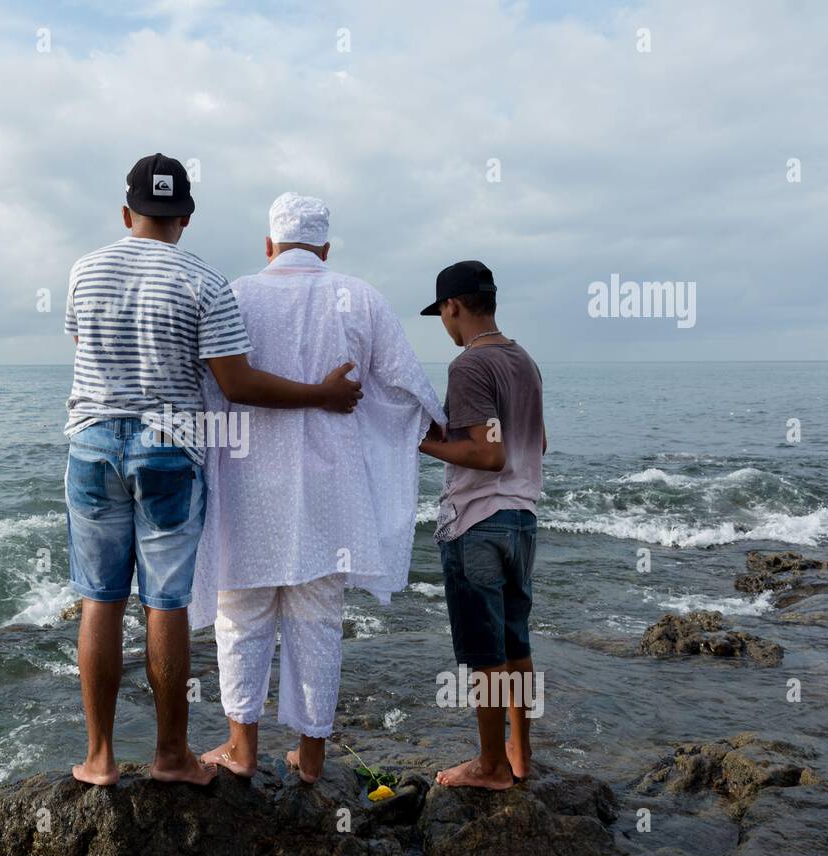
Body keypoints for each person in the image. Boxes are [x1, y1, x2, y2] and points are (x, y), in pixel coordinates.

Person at [63, 156, 362, 787]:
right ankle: (171, 756)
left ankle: (98, 758)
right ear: (187, 218)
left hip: (91, 442)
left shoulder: (85, 271)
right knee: (165, 602)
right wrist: (321, 394)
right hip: (168, 447)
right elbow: (237, 382)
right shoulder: (203, 279)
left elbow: (84, 349)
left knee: (99, 599)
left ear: (125, 213)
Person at [190, 193, 445, 783]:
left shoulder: (237, 294)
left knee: (242, 618)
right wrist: (442, 427)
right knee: (319, 624)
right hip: (333, 492)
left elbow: (208, 383)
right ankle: (310, 760)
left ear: (268, 244)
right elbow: (407, 384)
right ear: (326, 249)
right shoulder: (361, 298)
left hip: (247, 484)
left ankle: (241, 748)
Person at [417, 260, 546, 790]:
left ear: (453, 307)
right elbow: (526, 443)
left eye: (442, 314)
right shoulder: (524, 360)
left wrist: (420, 442)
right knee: (516, 643)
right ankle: (519, 753)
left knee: (483, 655)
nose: (444, 325)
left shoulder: (468, 366)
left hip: (478, 521)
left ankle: (490, 765)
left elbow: (487, 454)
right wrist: (447, 431)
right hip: (522, 518)